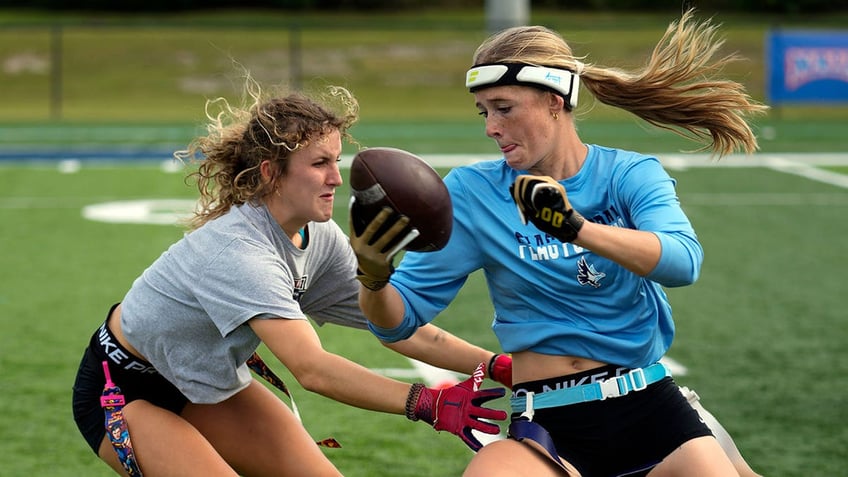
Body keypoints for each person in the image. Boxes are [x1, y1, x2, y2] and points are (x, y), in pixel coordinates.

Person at [350, 9, 767, 477]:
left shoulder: (628, 174)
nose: (490, 126)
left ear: (554, 100)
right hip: (549, 424)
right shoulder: (472, 192)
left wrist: (576, 228)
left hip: (651, 410)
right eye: (484, 112)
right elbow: (397, 321)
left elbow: (682, 262)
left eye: (504, 108)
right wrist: (373, 273)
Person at [71, 77, 510, 477]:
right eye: (319, 163)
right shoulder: (239, 252)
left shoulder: (318, 234)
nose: (337, 178)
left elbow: (393, 326)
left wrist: (493, 365)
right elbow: (312, 369)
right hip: (123, 390)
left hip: (204, 384)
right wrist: (424, 402)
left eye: (337, 160)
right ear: (271, 173)